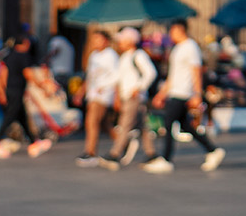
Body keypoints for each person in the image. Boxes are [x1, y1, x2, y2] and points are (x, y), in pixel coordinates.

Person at [139, 20, 224, 173]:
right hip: (175, 90)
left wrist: (197, 94)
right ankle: (212, 149)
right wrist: (161, 94)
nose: (170, 34)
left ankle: (166, 159)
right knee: (185, 125)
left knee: (168, 122)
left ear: (179, 29)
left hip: (183, 92)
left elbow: (196, 71)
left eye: (172, 31)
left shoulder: (190, 47)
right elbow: (173, 76)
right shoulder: (177, 48)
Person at [99, 27, 157, 170]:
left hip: (134, 97)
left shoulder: (138, 55)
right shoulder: (125, 57)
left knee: (124, 124)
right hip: (127, 96)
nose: (119, 43)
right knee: (142, 126)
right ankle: (151, 153)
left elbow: (150, 73)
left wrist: (139, 87)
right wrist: (103, 85)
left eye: (122, 40)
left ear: (131, 41)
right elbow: (117, 77)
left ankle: (115, 153)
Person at [0, 35, 52, 159]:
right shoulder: (23, 56)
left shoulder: (9, 55)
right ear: (26, 43)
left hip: (11, 90)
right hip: (16, 90)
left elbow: (4, 73)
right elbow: (28, 73)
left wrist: (3, 90)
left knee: (22, 117)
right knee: (10, 117)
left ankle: (34, 142)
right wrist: (42, 86)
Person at [76, 30, 118, 167]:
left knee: (92, 120)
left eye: (98, 39)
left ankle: (90, 152)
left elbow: (117, 76)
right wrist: (81, 92)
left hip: (104, 93)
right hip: (93, 93)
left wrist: (114, 93)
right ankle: (122, 141)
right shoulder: (93, 55)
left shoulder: (111, 55)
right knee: (104, 123)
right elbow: (90, 76)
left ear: (106, 41)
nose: (95, 42)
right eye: (93, 39)